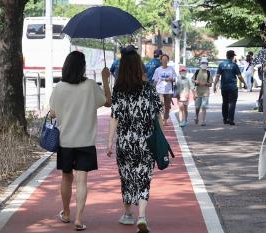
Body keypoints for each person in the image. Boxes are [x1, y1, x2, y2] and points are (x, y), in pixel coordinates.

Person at [49, 51, 112, 231]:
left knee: (66, 177)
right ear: (83, 67)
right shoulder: (90, 86)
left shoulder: (59, 87)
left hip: (65, 141)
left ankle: (66, 213)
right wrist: (105, 79)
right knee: (82, 180)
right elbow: (108, 102)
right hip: (86, 141)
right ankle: (78, 219)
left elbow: (53, 112)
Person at [106, 45, 162, 233]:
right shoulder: (149, 89)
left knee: (127, 176)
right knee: (144, 177)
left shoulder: (119, 90)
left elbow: (114, 116)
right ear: (140, 67)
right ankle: (142, 216)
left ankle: (128, 214)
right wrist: (159, 140)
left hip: (125, 141)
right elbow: (158, 116)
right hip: (146, 140)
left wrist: (109, 142)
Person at [213, 50, 247, 125]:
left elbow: (218, 76)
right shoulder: (234, 65)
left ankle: (225, 119)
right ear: (232, 56)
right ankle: (230, 119)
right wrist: (244, 83)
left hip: (224, 87)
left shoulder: (221, 65)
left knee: (224, 102)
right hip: (232, 87)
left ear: (226, 56)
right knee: (232, 103)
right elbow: (239, 76)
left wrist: (214, 85)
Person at [153, 54, 177, 125]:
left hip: (168, 90)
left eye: (166, 60)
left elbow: (175, 79)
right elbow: (155, 80)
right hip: (160, 90)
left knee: (167, 106)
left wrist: (171, 79)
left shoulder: (171, 69)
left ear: (168, 61)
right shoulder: (158, 70)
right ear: (160, 60)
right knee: (161, 103)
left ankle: (165, 119)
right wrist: (153, 89)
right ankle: (162, 118)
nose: (164, 61)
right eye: (163, 60)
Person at [192, 57, 213, 126]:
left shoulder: (208, 72)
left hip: (206, 92)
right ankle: (196, 116)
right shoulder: (197, 71)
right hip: (198, 92)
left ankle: (203, 121)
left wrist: (206, 84)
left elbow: (210, 83)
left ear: (207, 64)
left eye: (205, 63)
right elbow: (192, 80)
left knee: (204, 106)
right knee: (197, 107)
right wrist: (196, 81)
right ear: (200, 64)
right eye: (203, 63)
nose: (204, 64)